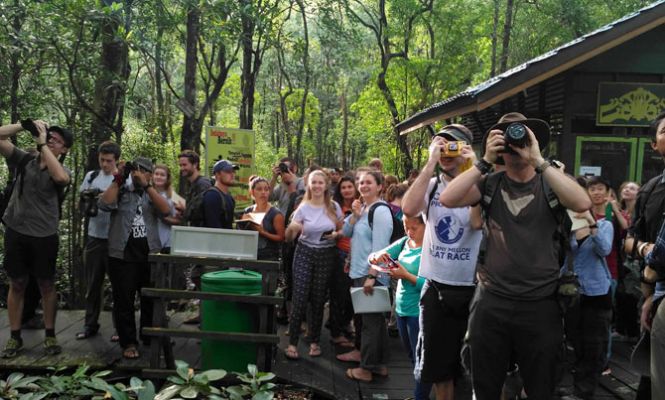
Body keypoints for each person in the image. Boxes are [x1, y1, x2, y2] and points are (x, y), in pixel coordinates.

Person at [440, 112, 591, 399]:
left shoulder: (550, 182)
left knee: (540, 388)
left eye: (519, 136)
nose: (513, 144)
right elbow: (448, 198)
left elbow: (582, 203)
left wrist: (539, 160)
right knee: (485, 386)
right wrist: (483, 161)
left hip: (541, 303)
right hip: (492, 301)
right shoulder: (490, 183)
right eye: (505, 138)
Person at [401, 124, 482, 400]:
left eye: (454, 145)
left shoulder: (483, 181)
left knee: (477, 365)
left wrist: (473, 167)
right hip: (437, 288)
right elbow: (409, 209)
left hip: (473, 288)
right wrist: (430, 163)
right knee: (438, 369)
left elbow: (477, 221)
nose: (447, 151)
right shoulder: (433, 184)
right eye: (442, 145)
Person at [0, 120, 73, 358]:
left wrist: (43, 146)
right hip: (16, 230)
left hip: (44, 235)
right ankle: (14, 336)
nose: (52, 140)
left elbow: (61, 178)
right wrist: (24, 125)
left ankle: (50, 335)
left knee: (46, 285)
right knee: (17, 283)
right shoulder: (24, 160)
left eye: (57, 140)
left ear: (64, 150)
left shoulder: (62, 170)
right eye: (50, 136)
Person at [99, 157, 170, 359]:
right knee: (124, 301)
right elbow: (104, 204)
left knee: (150, 299)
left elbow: (165, 210)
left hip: (149, 254)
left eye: (144, 171)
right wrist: (119, 179)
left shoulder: (152, 193)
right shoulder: (121, 191)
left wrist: (146, 186)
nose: (138, 174)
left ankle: (148, 336)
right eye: (136, 171)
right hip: (121, 255)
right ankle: (128, 342)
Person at [624, 111, 665, 400]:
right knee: (652, 378)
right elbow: (629, 240)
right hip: (656, 293)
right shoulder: (650, 189)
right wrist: (644, 249)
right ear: (654, 144)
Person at [369, 214, 432, 400]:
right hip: (401, 310)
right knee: (413, 358)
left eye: (414, 228)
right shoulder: (405, 242)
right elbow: (374, 256)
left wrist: (406, 275)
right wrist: (377, 257)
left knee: (421, 361)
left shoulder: (431, 248)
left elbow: (432, 285)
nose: (409, 232)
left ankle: (420, 396)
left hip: (418, 312)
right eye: (406, 227)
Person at [283, 170, 343, 360]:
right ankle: (292, 343)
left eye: (320, 183)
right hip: (305, 252)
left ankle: (315, 341)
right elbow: (288, 237)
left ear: (326, 185)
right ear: (308, 185)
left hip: (326, 253)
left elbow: (342, 230)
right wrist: (292, 229)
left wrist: (335, 235)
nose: (317, 186)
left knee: (318, 298)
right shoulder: (302, 208)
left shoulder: (334, 207)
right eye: (313, 182)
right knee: (300, 297)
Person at [341, 170, 393, 383]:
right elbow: (345, 233)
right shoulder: (363, 208)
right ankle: (378, 364)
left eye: (369, 182)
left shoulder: (380, 211)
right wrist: (354, 215)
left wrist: (373, 275)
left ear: (380, 186)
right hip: (360, 271)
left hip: (370, 274)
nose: (363, 186)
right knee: (373, 322)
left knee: (371, 323)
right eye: (361, 182)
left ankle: (367, 368)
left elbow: (382, 247)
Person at [563, 202, 613, 399]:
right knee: (576, 343)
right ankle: (577, 386)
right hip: (572, 294)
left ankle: (584, 391)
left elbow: (604, 249)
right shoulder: (568, 229)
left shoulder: (604, 225)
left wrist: (592, 224)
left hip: (597, 293)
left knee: (594, 346)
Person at [76, 140, 121, 340]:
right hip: (94, 236)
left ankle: (120, 329)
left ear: (116, 161)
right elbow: (81, 201)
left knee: (119, 286)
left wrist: (106, 197)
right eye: (102, 160)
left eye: (109, 161)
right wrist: (89, 198)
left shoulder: (122, 180)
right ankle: (90, 324)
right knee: (93, 284)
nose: (105, 164)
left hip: (115, 240)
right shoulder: (91, 176)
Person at [328, 175, 358, 346]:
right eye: (343, 187)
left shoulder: (361, 206)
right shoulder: (335, 207)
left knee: (351, 294)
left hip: (358, 255)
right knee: (339, 294)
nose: (346, 190)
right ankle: (336, 331)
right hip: (340, 253)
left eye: (349, 187)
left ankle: (346, 324)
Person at [239, 176, 285, 260]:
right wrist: (243, 224)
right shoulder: (248, 211)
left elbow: (281, 238)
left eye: (266, 189)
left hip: (269, 258)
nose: (263, 192)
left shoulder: (275, 213)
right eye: (259, 189)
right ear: (252, 192)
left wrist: (263, 232)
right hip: (249, 256)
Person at [153, 164, 183, 253]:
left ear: (167, 178)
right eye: (156, 174)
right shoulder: (147, 193)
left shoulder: (173, 196)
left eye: (162, 175)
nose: (159, 177)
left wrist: (165, 219)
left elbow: (182, 219)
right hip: (150, 241)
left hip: (168, 242)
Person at [178, 150, 211, 227]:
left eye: (184, 165)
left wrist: (185, 209)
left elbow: (203, 212)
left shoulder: (203, 184)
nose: (182, 168)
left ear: (195, 164)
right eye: (180, 165)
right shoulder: (192, 185)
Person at [202, 159, 237, 229]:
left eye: (233, 171)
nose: (232, 174)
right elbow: (213, 228)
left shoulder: (229, 197)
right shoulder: (212, 196)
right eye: (228, 171)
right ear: (217, 174)